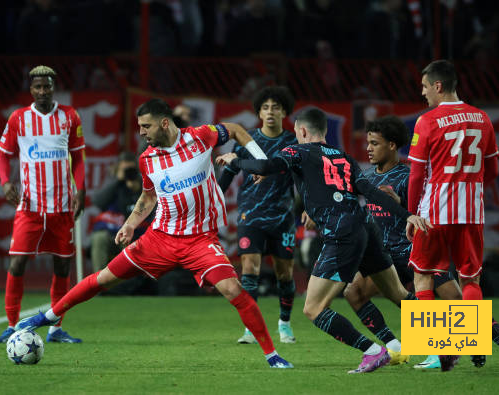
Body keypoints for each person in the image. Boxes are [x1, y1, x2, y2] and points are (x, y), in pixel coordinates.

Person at [17, 99, 293, 369]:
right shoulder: (146, 159)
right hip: (159, 238)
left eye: (146, 126)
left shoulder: (200, 137)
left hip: (200, 240)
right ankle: (48, 316)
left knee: (233, 288)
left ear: (164, 123)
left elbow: (234, 129)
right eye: (139, 127)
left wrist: (262, 162)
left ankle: (272, 355)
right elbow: (148, 198)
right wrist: (129, 224)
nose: (141, 132)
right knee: (104, 278)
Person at [217, 107, 432, 374]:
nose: (295, 136)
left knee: (314, 308)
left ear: (303, 131)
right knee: (397, 294)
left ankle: (373, 351)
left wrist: (234, 160)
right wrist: (408, 215)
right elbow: (369, 192)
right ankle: (445, 342)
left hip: (342, 233)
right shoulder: (344, 157)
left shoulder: (297, 152)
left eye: (296, 132)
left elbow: (266, 165)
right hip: (365, 227)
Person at [343, 115, 499, 369]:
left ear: (392, 145)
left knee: (458, 303)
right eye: (368, 143)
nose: (368, 148)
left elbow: (425, 211)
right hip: (386, 256)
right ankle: (397, 348)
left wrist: (402, 205)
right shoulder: (366, 177)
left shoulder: (410, 176)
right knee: (354, 292)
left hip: (419, 249)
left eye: (374, 143)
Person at [406, 59, 499, 371]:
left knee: (422, 275)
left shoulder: (427, 121)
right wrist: (468, 187)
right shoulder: (482, 117)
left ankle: (437, 352)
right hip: (471, 211)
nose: (422, 94)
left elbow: (416, 176)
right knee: (470, 278)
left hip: (433, 212)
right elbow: (492, 171)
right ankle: (475, 343)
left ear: (438, 86)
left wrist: (411, 213)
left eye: (424, 87)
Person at [0, 65, 85, 344]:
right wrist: (6, 182)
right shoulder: (19, 118)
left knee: (62, 268)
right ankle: (11, 325)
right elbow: (3, 157)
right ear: (30, 89)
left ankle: (56, 329)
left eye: (47, 86)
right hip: (30, 207)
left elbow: (78, 158)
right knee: (17, 263)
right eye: (37, 87)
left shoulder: (69, 116)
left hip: (61, 206)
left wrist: (80, 189)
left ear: (53, 87)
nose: (43, 91)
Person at [217, 86, 298, 344]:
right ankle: (251, 328)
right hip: (250, 214)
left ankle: (284, 324)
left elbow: (302, 179)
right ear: (259, 112)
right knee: (249, 268)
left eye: (276, 106)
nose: (270, 111)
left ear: (284, 111)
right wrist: (216, 200)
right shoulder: (246, 140)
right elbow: (228, 172)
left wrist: (307, 208)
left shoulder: (293, 142)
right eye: (265, 107)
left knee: (284, 274)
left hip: (282, 216)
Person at [91, 151, 145, 273]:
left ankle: (130, 286)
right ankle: (100, 284)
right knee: (99, 238)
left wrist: (137, 187)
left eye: (131, 170)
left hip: (137, 233)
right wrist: (118, 180)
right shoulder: (115, 186)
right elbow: (98, 201)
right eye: (124, 170)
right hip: (114, 232)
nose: (128, 173)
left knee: (130, 241)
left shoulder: (143, 184)